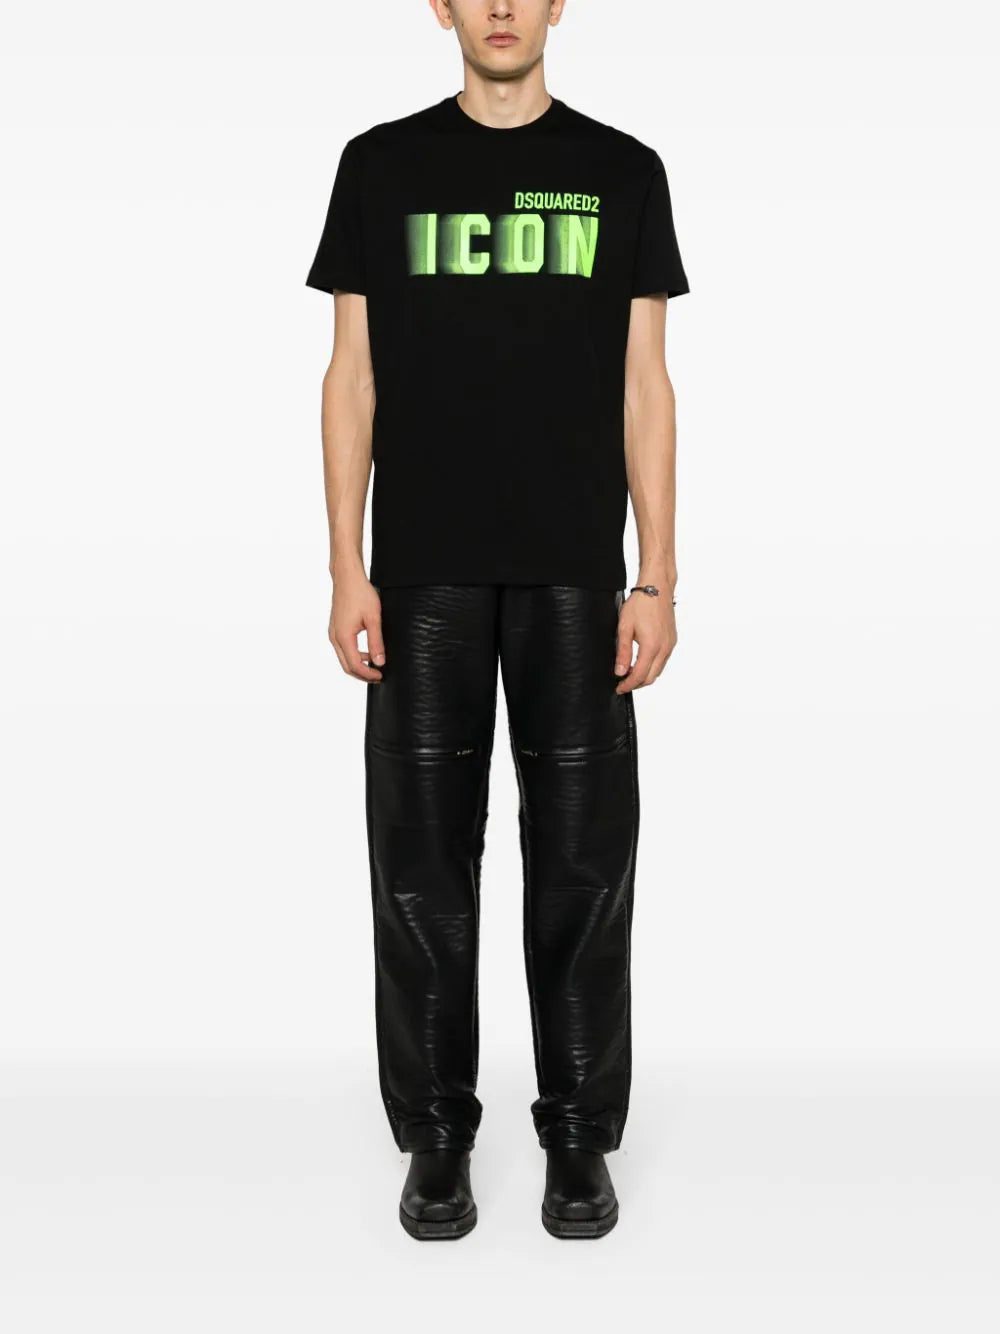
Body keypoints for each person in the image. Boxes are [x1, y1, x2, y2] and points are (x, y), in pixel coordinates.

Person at [306, 0, 688, 1241]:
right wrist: (345, 565)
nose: (503, 7)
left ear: (558, 2)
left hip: (575, 574)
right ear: (442, 7)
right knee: (422, 867)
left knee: (583, 864)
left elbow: (644, 383)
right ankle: (435, 1136)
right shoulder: (381, 165)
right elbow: (351, 374)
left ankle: (578, 1136)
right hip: (422, 574)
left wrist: (655, 576)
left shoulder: (621, 171)